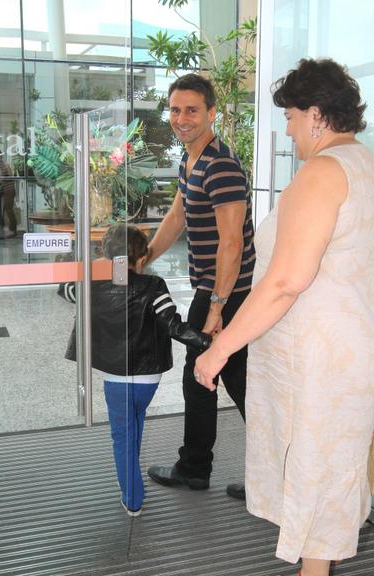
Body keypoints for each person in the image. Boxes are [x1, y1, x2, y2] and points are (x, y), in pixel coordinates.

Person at [194, 58, 374, 576]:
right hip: (347, 348)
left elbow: (284, 281)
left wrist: (219, 350)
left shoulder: (323, 172)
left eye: (292, 118)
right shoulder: (364, 164)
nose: (290, 130)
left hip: (316, 359)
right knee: (329, 473)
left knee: (315, 471)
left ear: (316, 115)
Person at [146, 73, 255, 497]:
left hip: (227, 293)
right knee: (220, 381)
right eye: (175, 109)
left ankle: (201, 468)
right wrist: (143, 258)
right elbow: (177, 217)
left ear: (212, 113)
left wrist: (215, 307)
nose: (181, 118)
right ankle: (202, 467)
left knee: (218, 380)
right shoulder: (192, 159)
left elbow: (232, 242)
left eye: (192, 109)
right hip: (216, 291)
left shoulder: (221, 165)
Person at [65, 224, 211, 516]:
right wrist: (207, 341)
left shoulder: (91, 284)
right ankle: (132, 480)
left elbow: (66, 289)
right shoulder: (153, 286)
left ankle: (133, 499)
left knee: (123, 435)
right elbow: (173, 325)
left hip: (117, 377)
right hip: (148, 378)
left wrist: (95, 269)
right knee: (135, 421)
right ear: (142, 259)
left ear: (105, 256)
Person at [0, 148, 17, 240]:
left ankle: (6, 233)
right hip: (6, 190)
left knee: (4, 211)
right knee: (7, 211)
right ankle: (10, 232)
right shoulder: (1, 162)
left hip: (6, 190)